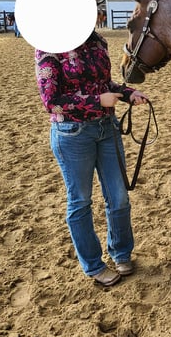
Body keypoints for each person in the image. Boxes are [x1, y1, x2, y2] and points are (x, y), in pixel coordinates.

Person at [35, 30, 149, 286]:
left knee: (119, 197)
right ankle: (94, 266)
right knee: (80, 201)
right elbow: (51, 101)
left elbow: (105, 83)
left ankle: (120, 253)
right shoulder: (48, 48)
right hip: (72, 134)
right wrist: (99, 101)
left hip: (106, 127)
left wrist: (128, 93)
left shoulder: (96, 41)